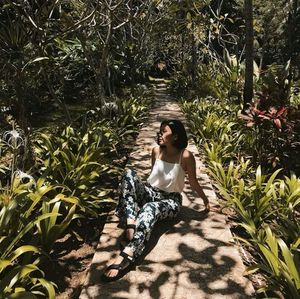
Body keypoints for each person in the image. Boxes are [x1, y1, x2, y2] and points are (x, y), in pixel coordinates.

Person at [102, 119, 210, 281]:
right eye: (159, 130)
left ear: (175, 137)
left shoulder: (186, 156)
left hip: (171, 201)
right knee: (129, 174)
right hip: (152, 192)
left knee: (149, 209)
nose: (159, 134)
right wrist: (140, 191)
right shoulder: (156, 151)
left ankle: (129, 254)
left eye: (164, 131)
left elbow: (193, 182)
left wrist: (205, 199)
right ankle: (131, 223)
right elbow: (154, 177)